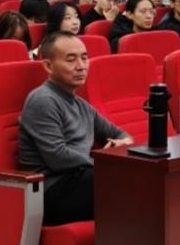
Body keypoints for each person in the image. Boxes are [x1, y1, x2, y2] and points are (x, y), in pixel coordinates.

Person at [19, 31, 132, 224]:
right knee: (130, 180)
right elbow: (58, 158)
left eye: (84, 58)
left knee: (139, 177)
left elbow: (121, 134)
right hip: (52, 189)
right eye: (71, 60)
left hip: (81, 179)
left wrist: (123, 143)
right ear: (48, 66)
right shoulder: (43, 100)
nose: (81, 66)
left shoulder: (80, 104)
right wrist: (105, 162)